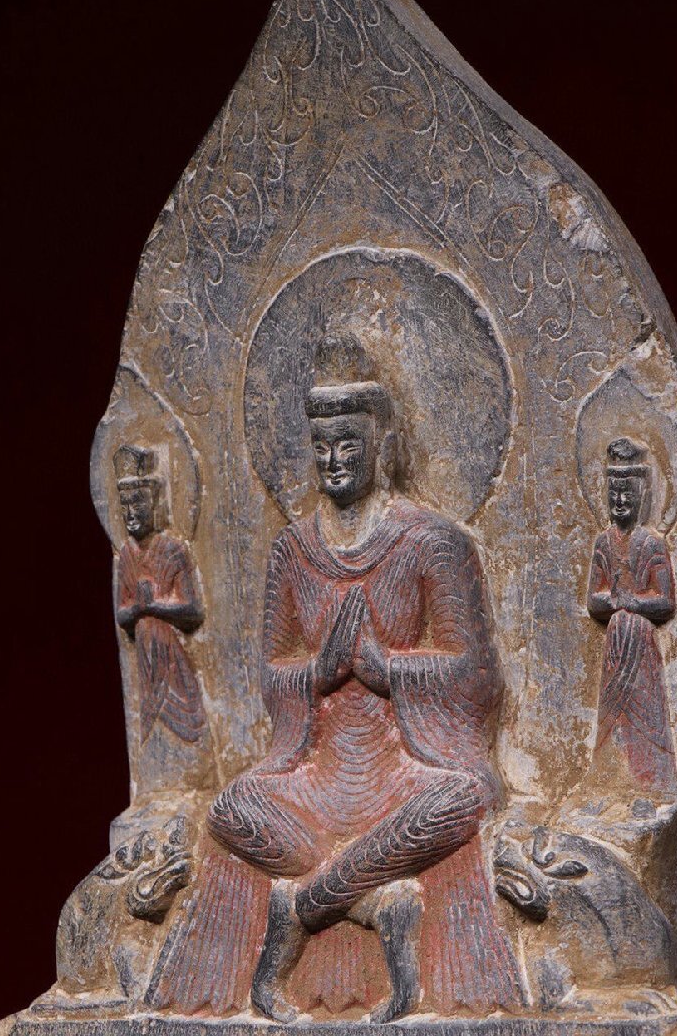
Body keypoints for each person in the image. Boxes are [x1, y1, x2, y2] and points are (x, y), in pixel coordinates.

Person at [207, 335, 503, 1022]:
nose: (335, 461)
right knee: (228, 809)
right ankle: (371, 898)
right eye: (321, 447)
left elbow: (477, 673)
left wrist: (383, 668)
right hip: (317, 777)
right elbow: (271, 672)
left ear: (382, 447)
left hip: (406, 773)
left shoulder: (432, 543)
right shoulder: (291, 550)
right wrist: (317, 672)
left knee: (463, 800)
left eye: (349, 445)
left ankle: (306, 904)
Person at [586, 437, 677, 807]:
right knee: (612, 716)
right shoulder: (603, 542)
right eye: (613, 493)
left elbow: (666, 601)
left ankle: (649, 789)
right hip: (615, 644)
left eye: (627, 493)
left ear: (642, 494)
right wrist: (613, 601)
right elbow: (593, 600)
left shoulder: (652, 544)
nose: (620, 501)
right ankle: (606, 785)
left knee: (644, 717)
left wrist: (634, 602)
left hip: (640, 646)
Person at [114, 446, 207, 758]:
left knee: (189, 728)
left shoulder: (173, 550)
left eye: (138, 503)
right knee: (153, 736)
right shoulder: (126, 555)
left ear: (155, 503)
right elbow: (122, 614)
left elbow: (193, 610)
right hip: (145, 658)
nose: (131, 513)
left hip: (170, 653)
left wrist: (154, 605)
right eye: (124, 506)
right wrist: (138, 608)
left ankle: (198, 770)